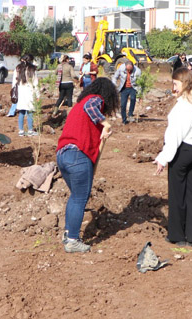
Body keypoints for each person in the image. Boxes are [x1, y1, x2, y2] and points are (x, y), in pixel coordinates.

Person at [56, 77, 120, 253]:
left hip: (63, 154)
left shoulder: (78, 107)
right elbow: (91, 106)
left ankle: (68, 233)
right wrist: (106, 123)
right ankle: (72, 240)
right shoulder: (94, 100)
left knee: (76, 196)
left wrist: (102, 130)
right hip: (77, 156)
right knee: (79, 198)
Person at [154, 67, 192, 250]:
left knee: (177, 194)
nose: (174, 88)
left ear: (184, 82)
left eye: (175, 84)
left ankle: (177, 235)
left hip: (182, 151)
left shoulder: (184, 104)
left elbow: (175, 134)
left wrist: (163, 158)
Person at [13, 55, 38, 137]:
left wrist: (14, 92)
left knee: (22, 112)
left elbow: (14, 82)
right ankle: (30, 131)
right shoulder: (32, 69)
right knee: (30, 112)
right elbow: (35, 83)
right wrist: (37, 95)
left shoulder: (18, 69)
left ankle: (21, 131)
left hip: (21, 92)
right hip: (30, 92)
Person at [113, 60, 141, 125]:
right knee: (123, 104)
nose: (128, 71)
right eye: (127, 70)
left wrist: (140, 94)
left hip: (133, 87)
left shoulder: (138, 71)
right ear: (125, 67)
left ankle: (130, 114)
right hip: (124, 88)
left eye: (130, 70)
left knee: (133, 99)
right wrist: (114, 85)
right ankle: (124, 119)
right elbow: (115, 77)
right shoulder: (121, 68)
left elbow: (140, 83)